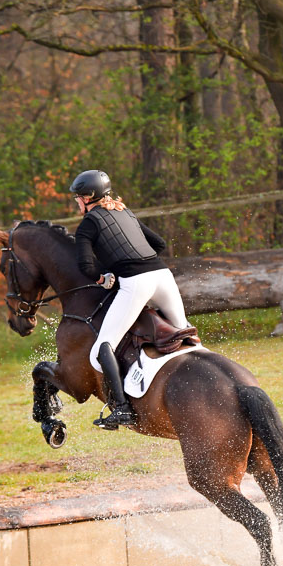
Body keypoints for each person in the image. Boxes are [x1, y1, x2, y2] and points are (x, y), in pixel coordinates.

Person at [71, 169, 190, 430]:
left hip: (136, 283)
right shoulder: (126, 212)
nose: (77, 203)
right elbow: (158, 244)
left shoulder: (88, 223)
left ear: (89, 197)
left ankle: (122, 410)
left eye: (78, 198)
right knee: (185, 334)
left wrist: (104, 277)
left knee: (103, 347)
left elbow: (85, 265)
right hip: (163, 276)